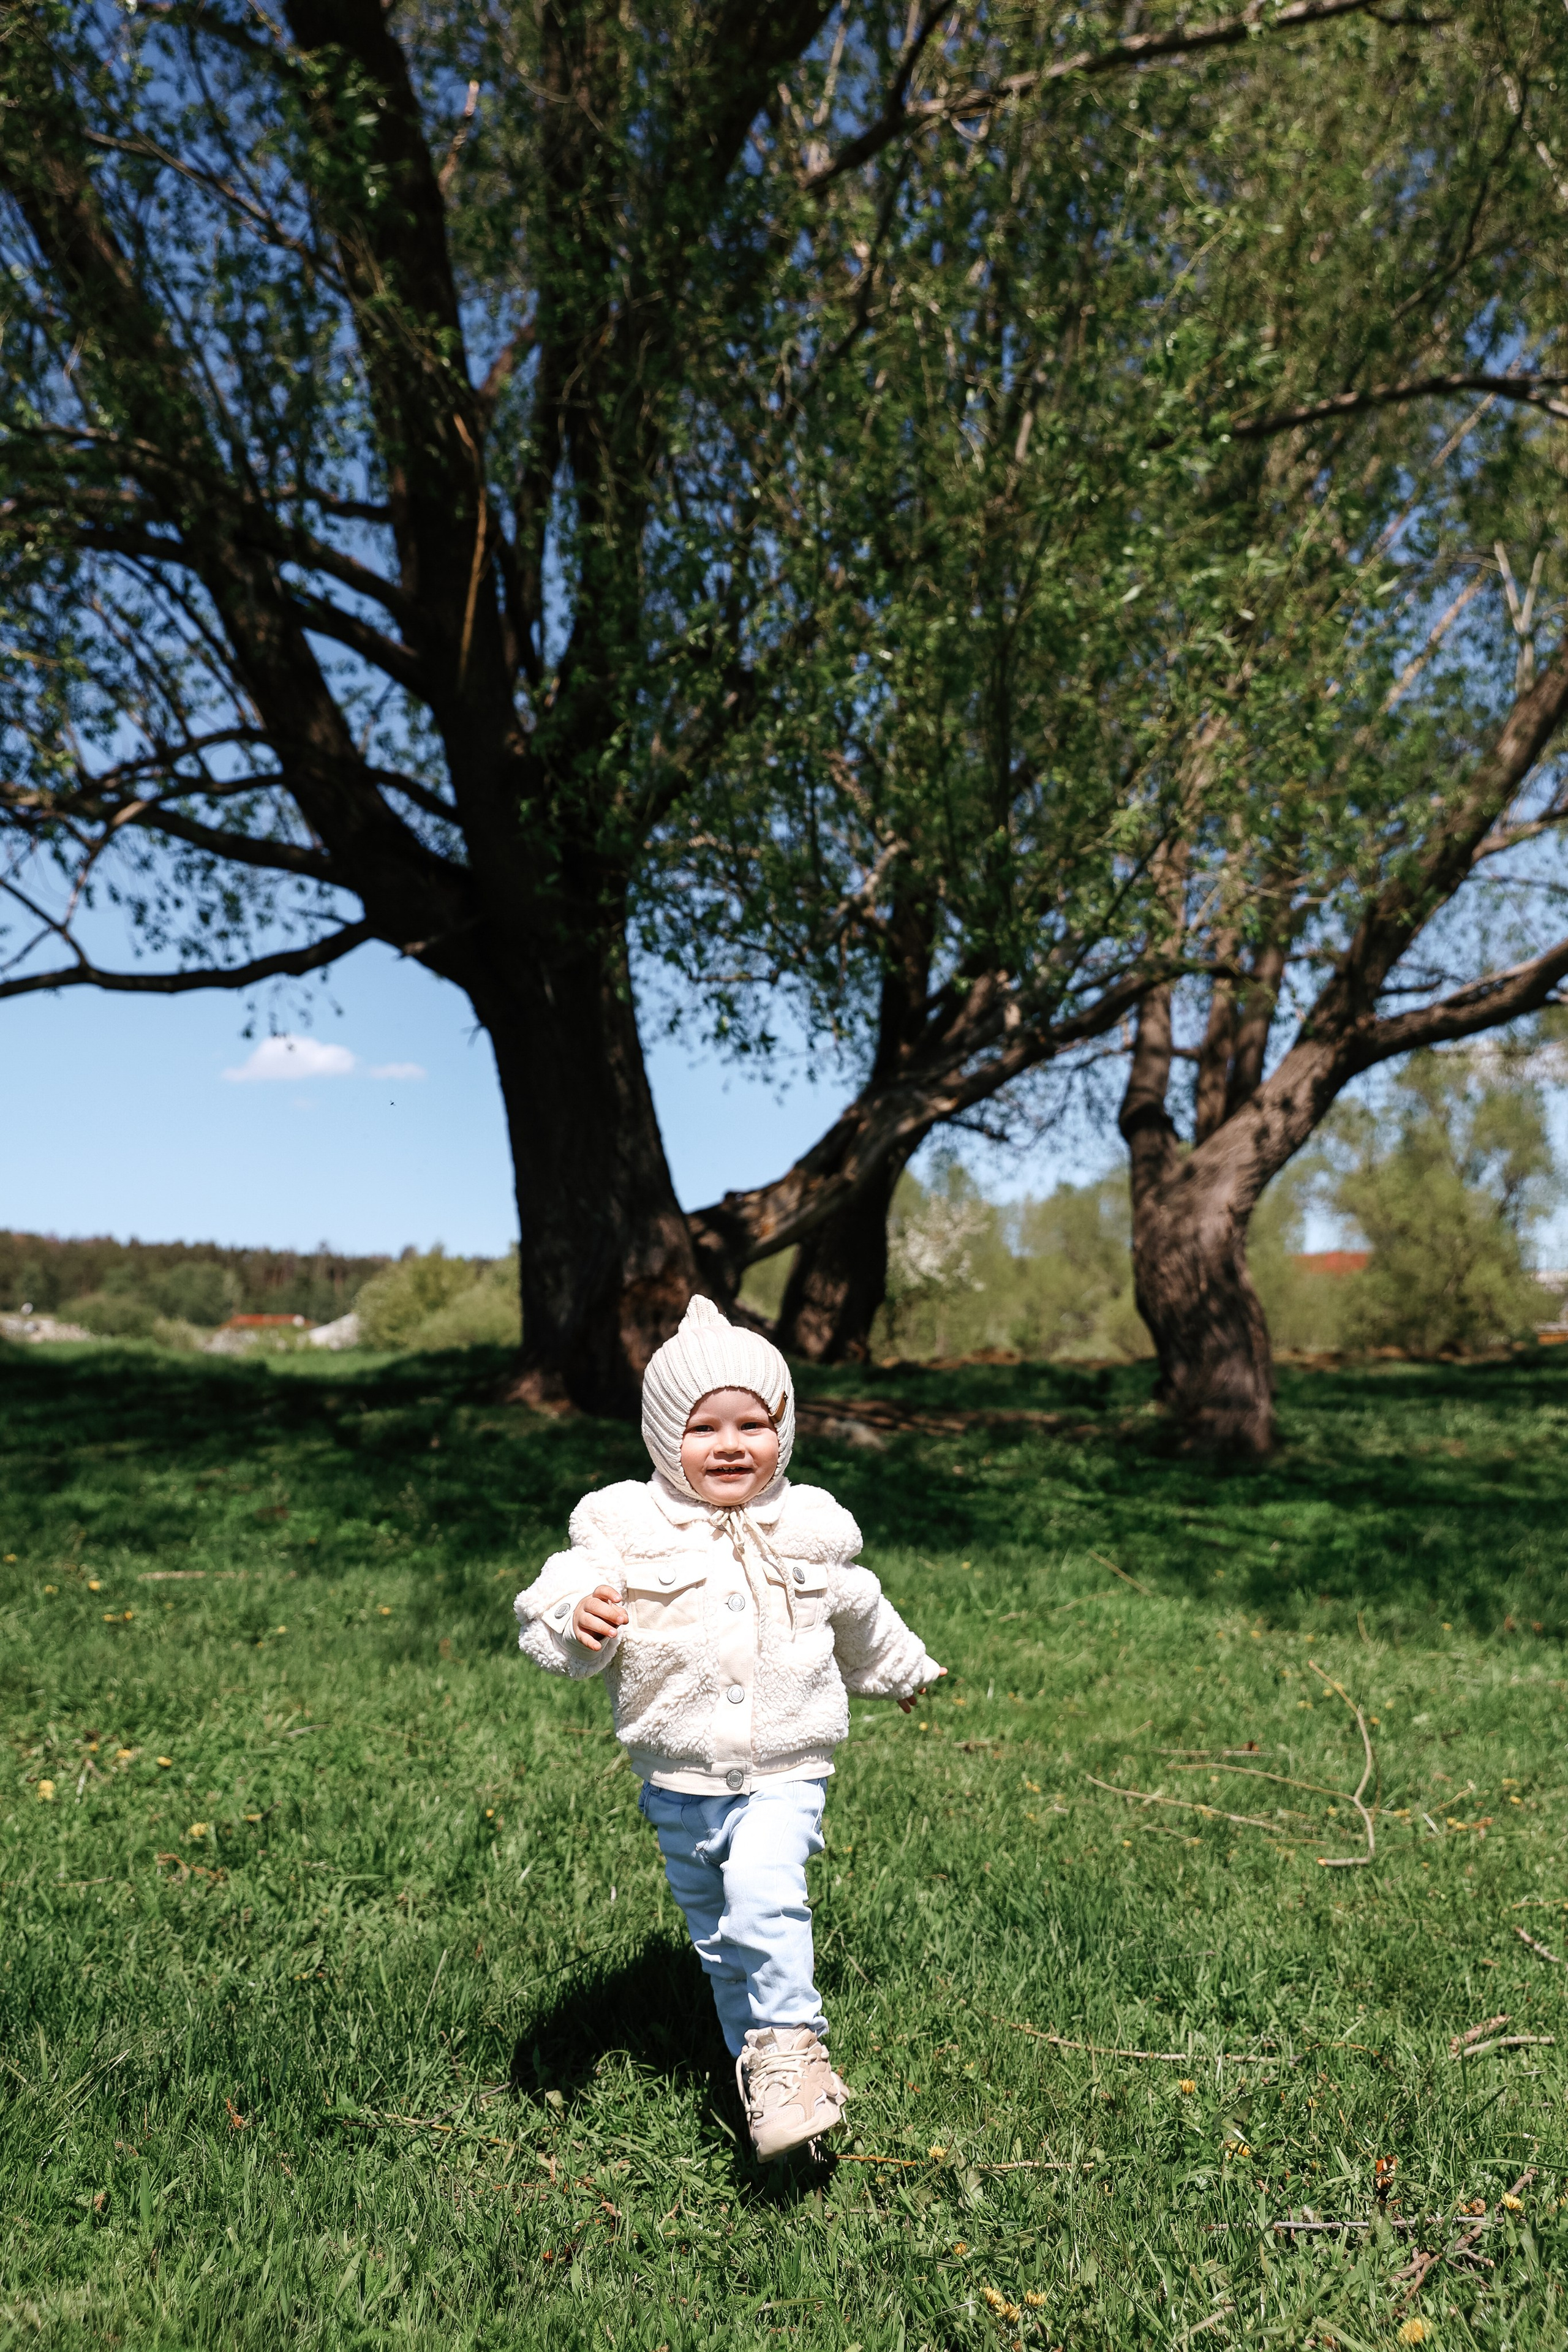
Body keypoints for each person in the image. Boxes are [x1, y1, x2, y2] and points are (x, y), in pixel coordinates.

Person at [513, 1295, 944, 2162]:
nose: (731, 1445)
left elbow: (857, 1607)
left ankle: (793, 2047)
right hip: (678, 1782)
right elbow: (555, 1592)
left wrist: (898, 1669)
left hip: (787, 1766)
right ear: (662, 1435)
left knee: (761, 1890)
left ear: (784, 1430)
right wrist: (577, 1617)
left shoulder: (810, 1523)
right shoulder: (621, 1525)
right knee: (722, 1945)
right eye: (703, 1428)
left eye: (754, 1425)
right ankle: (775, 2095)